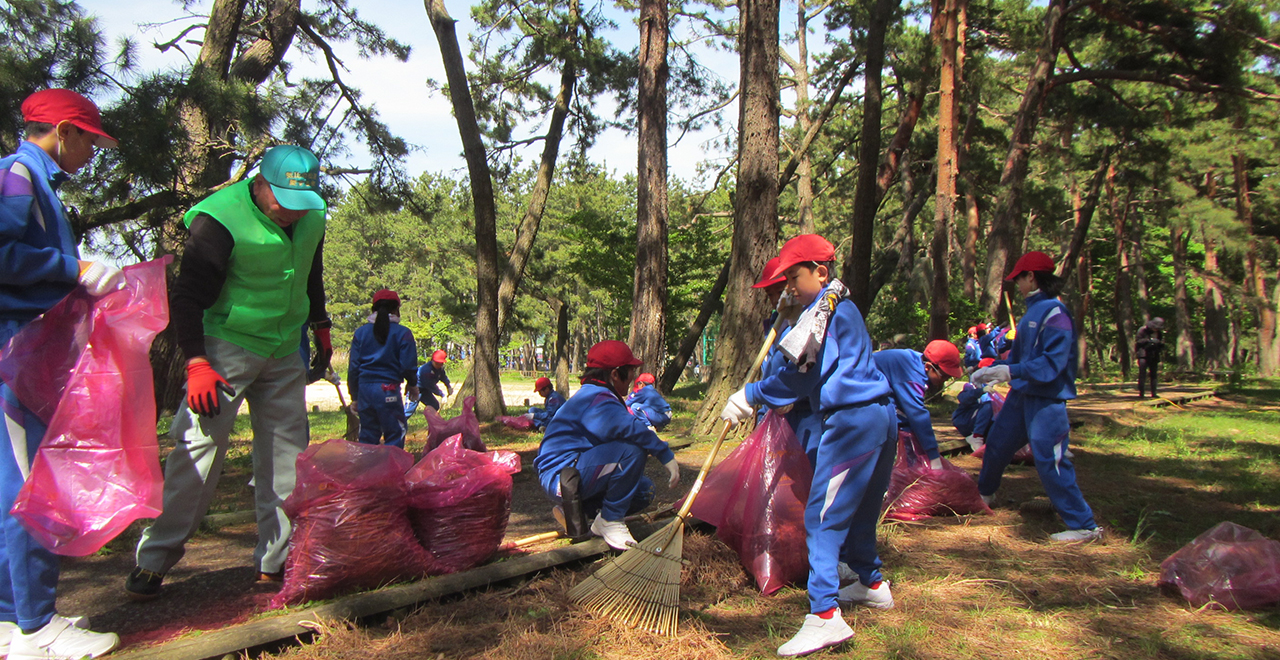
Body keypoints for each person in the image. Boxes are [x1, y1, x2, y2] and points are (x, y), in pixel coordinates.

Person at [126, 144, 332, 600]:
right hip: (225, 346)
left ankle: (275, 561)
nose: (291, 215)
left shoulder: (309, 214)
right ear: (260, 184)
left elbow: (309, 269)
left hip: (283, 348)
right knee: (197, 448)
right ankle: (155, 558)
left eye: (301, 206)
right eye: (283, 203)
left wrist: (320, 325)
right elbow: (186, 298)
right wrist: (198, 363)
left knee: (286, 458)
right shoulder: (218, 220)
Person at [719, 234, 896, 657]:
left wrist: (752, 393)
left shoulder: (826, 315)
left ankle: (823, 616)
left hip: (852, 421)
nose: (789, 287)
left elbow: (802, 374)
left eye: (793, 277)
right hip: (879, 417)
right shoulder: (835, 307)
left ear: (820, 271)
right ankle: (871, 584)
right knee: (861, 510)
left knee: (822, 516)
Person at [0, 88, 124, 659]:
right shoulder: (20, 175)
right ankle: (39, 627)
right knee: (29, 489)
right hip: (16, 357)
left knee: (15, 483)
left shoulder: (35, 181)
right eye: (91, 141)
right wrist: (72, 267)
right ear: (65, 131)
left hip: (25, 353)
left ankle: (11, 617)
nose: (93, 153)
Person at [971, 251, 1102, 543]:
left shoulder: (1056, 313)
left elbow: (1052, 364)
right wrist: (994, 371)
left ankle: (1084, 526)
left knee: (1050, 458)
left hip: (1046, 398)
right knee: (997, 446)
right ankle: (983, 495)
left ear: (1031, 277)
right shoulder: (1032, 312)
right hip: (1021, 395)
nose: (1016, 285)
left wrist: (1009, 372)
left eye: (1018, 278)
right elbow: (1017, 357)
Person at [533, 341, 679, 549]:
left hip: (575, 471)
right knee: (631, 450)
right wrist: (665, 455)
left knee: (643, 490)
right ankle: (611, 520)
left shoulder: (597, 394)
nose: (632, 380)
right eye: (630, 372)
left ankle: (582, 512)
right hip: (563, 477)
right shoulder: (596, 398)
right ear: (614, 375)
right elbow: (631, 429)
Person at [873, 340, 964, 469]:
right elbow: (917, 414)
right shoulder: (908, 374)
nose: (945, 380)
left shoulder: (915, 362)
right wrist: (933, 456)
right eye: (944, 376)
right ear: (928, 367)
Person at [347, 289, 419, 448]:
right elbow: (408, 365)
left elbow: (353, 368)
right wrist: (413, 384)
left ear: (374, 308)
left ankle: (368, 470)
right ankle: (393, 471)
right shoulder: (403, 333)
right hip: (388, 388)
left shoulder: (361, 333)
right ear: (396, 309)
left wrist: (355, 396)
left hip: (365, 390)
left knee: (367, 436)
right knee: (395, 432)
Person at [952, 382, 996, 451]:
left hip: (980, 423)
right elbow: (963, 398)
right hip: (965, 421)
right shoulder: (970, 386)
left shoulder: (990, 391)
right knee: (988, 406)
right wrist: (981, 391)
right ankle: (976, 437)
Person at [1135, 317, 1165, 398]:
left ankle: (1154, 392)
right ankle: (1141, 392)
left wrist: (1159, 343)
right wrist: (1149, 340)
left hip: (1154, 355)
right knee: (1142, 374)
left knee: (1154, 374)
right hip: (1143, 355)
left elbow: (1161, 343)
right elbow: (1138, 341)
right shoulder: (1142, 330)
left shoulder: (1159, 333)